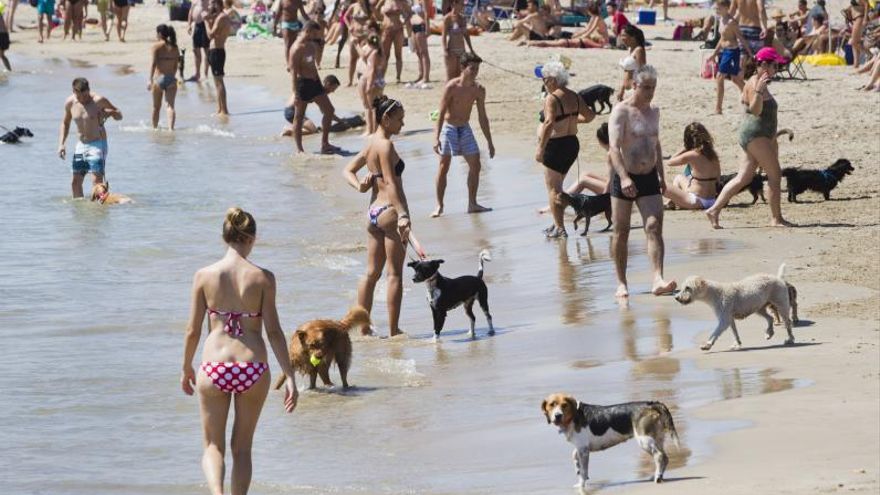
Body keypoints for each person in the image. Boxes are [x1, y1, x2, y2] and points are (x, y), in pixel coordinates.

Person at [181, 207, 299, 495]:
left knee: (212, 446)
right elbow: (273, 331)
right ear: (251, 238)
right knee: (242, 449)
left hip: (214, 367)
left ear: (225, 237)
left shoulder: (204, 275)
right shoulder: (264, 278)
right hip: (253, 369)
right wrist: (291, 376)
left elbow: (193, 330)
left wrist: (186, 367)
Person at [343, 96, 417, 338]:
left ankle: (363, 328)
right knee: (394, 274)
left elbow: (347, 170)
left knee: (370, 274)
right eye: (399, 119)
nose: (402, 124)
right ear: (386, 118)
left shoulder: (371, 142)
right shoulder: (385, 146)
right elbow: (390, 183)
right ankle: (394, 331)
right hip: (390, 213)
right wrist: (404, 214)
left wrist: (360, 187)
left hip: (373, 213)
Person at [607, 65, 676, 297]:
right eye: (646, 87)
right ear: (634, 85)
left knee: (654, 227)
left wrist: (661, 175)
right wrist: (624, 177)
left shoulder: (654, 110)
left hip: (649, 178)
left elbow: (655, 142)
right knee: (621, 231)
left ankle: (657, 278)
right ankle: (621, 282)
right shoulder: (621, 111)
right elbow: (614, 149)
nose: (650, 92)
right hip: (625, 176)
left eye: (653, 88)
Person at [705, 47, 791, 229]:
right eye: (774, 65)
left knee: (743, 177)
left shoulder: (758, 82)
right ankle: (776, 219)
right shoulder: (754, 83)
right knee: (775, 175)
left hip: (759, 135)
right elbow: (755, 110)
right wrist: (759, 91)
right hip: (756, 135)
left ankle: (714, 210)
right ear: (763, 65)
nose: (777, 69)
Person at [536, 60, 595, 238]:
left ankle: (560, 228)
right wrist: (572, 120)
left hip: (555, 146)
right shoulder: (575, 96)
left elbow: (548, 123)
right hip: (571, 144)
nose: (544, 83)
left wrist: (540, 148)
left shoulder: (551, 98)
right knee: (558, 187)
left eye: (545, 79)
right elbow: (590, 116)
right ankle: (556, 224)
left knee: (553, 189)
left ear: (553, 79)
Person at [432, 53, 495, 217]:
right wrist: (435, 137)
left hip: (465, 128)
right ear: (462, 68)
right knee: (443, 166)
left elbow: (482, 117)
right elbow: (441, 113)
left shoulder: (479, 90)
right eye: (472, 69)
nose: (475, 72)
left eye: (477, 69)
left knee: (476, 165)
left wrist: (489, 141)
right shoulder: (452, 87)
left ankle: (472, 203)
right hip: (449, 128)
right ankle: (439, 205)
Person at [58, 78, 123, 198]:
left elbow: (119, 115)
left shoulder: (99, 100)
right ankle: (80, 213)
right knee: (75, 182)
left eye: (85, 95)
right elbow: (65, 123)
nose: (83, 99)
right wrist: (61, 144)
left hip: (98, 144)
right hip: (81, 146)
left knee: (96, 183)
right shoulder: (70, 103)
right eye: (79, 97)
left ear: (89, 90)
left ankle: (99, 212)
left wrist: (110, 113)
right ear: (73, 91)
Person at [289, 21, 341, 153]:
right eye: (314, 33)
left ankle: (325, 143)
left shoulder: (312, 45)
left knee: (329, 110)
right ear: (308, 31)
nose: (316, 36)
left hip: (315, 82)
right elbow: (293, 72)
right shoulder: (296, 48)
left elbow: (312, 65)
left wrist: (319, 83)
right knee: (299, 117)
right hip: (303, 84)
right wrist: (295, 93)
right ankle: (299, 149)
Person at [662, 122, 721, 210]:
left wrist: (685, 148)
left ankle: (672, 202)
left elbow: (670, 162)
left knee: (659, 184)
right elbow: (718, 179)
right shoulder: (713, 155)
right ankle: (671, 202)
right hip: (712, 201)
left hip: (696, 201)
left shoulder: (692, 155)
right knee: (679, 177)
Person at [712, 0, 751, 115]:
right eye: (716, 9)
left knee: (720, 77)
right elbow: (722, 38)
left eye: (718, 8)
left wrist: (749, 52)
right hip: (724, 51)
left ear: (726, 8)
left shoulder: (731, 22)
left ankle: (718, 108)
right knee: (735, 78)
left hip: (732, 51)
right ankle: (750, 96)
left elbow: (740, 37)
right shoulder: (721, 20)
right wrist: (714, 53)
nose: (716, 11)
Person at [149, 24, 180, 130]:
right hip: (171, 78)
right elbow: (176, 66)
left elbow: (153, 64)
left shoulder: (156, 46)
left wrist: (149, 80)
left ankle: (154, 129)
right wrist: (171, 76)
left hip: (159, 78)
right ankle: (171, 129)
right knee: (170, 106)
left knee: (156, 107)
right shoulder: (175, 47)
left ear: (159, 34)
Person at [205, 0, 232, 116]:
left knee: (219, 81)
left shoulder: (222, 17)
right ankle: (220, 109)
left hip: (217, 50)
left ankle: (224, 110)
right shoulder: (220, 17)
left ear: (217, 4)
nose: (210, 6)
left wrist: (206, 21)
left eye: (212, 3)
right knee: (216, 82)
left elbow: (210, 34)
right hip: (215, 50)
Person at [357, 31, 385, 134]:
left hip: (372, 80)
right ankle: (374, 130)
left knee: (370, 107)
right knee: (375, 107)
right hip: (379, 80)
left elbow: (372, 69)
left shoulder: (374, 54)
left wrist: (369, 84)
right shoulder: (380, 52)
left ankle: (372, 130)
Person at [442, 0, 475, 80]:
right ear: (454, 4)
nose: (463, 6)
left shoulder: (463, 18)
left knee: (460, 77)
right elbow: (444, 36)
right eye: (462, 4)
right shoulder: (448, 18)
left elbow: (466, 35)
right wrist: (445, 50)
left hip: (462, 50)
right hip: (451, 50)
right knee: (450, 77)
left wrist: (471, 49)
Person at [380, 0, 410, 84]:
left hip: (398, 30)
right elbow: (374, 8)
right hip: (386, 30)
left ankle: (398, 77)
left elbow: (409, 12)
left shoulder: (400, 1)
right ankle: (382, 76)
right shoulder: (384, 1)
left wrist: (404, 22)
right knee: (385, 55)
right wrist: (380, 20)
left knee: (398, 54)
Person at [274, 0, 309, 69]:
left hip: (295, 24)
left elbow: (303, 13)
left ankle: (293, 61)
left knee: (293, 44)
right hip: (285, 23)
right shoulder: (283, 1)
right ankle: (288, 64)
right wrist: (274, 25)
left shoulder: (298, 1)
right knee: (288, 43)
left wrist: (311, 22)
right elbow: (278, 13)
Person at [617, 25, 646, 102]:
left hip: (635, 90)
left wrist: (639, 90)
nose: (621, 38)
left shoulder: (639, 50)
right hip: (627, 91)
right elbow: (626, 73)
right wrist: (622, 89)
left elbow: (643, 71)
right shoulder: (630, 50)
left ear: (632, 37)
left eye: (624, 35)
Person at [187, 0, 211, 82]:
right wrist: (189, 25)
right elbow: (190, 12)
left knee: (207, 50)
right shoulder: (195, 1)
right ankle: (197, 74)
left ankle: (205, 74)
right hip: (197, 26)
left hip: (206, 25)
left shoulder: (209, 1)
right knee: (196, 49)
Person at [408, 0, 431, 86]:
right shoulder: (413, 1)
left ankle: (426, 76)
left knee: (423, 52)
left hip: (421, 25)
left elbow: (426, 13)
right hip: (413, 25)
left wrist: (428, 28)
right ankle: (421, 74)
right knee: (418, 52)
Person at [849, 0, 868, 69]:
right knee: (855, 42)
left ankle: (869, 54)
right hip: (855, 19)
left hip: (859, 18)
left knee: (853, 42)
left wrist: (865, 18)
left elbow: (866, 5)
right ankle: (856, 63)